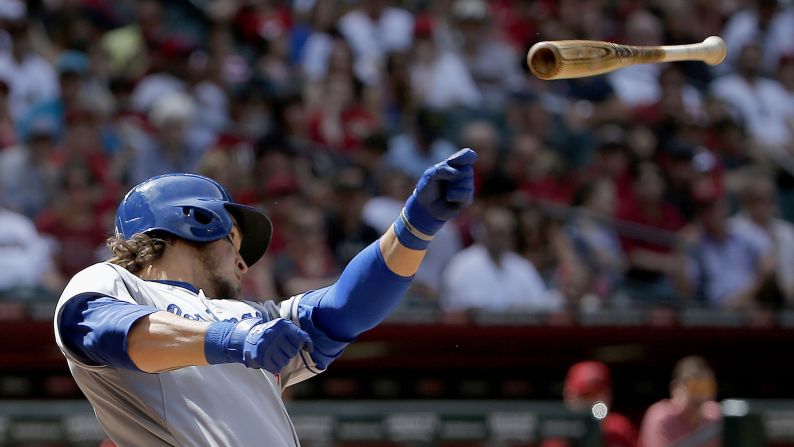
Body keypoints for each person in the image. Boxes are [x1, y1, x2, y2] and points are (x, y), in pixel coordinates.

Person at [53, 149, 477, 446]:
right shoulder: (111, 281)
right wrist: (234, 341)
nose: (243, 264)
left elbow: (345, 309)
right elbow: (105, 332)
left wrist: (416, 225)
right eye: (235, 242)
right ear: (198, 220)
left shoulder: (244, 315)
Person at [638, 356, 721, 447]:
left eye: (708, 386)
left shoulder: (716, 416)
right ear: (675, 388)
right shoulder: (660, 417)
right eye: (695, 386)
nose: (701, 394)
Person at [563, 361, 638, 447]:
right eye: (586, 395)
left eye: (599, 393)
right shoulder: (557, 429)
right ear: (569, 395)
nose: (594, 401)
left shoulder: (619, 428)